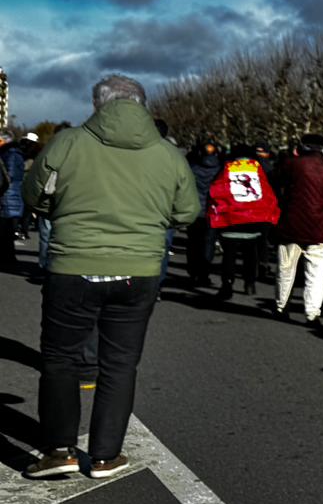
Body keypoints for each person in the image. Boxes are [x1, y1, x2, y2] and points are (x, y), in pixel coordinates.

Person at [21, 75, 198, 479]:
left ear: (98, 105)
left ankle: (60, 449)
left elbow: (35, 194)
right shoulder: (166, 153)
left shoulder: (69, 142)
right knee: (120, 363)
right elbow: (187, 211)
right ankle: (104, 455)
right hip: (139, 268)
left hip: (73, 265)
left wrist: (60, 210)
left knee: (60, 358)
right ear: (142, 104)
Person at [273, 134, 323, 326]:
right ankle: (312, 313)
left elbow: (277, 181)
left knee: (286, 270)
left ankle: (282, 307)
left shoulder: (292, 165)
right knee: (317, 274)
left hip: (292, 224)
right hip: (321, 227)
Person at [208, 144, 279, 301]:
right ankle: (249, 283)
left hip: (231, 219)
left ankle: (227, 284)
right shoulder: (259, 170)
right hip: (253, 219)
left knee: (229, 254)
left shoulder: (227, 168)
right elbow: (269, 194)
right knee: (250, 252)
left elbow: (215, 190)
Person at [185, 140, 223, 288]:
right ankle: (204, 273)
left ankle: (193, 271)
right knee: (208, 243)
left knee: (193, 242)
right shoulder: (220, 169)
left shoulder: (192, 168)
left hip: (194, 210)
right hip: (212, 211)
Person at [2, 130, 30, 271]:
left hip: (8, 195)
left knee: (6, 229)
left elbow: (9, 176)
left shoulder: (10, 154)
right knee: (7, 230)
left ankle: (8, 258)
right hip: (12, 195)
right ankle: (8, 257)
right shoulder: (15, 153)